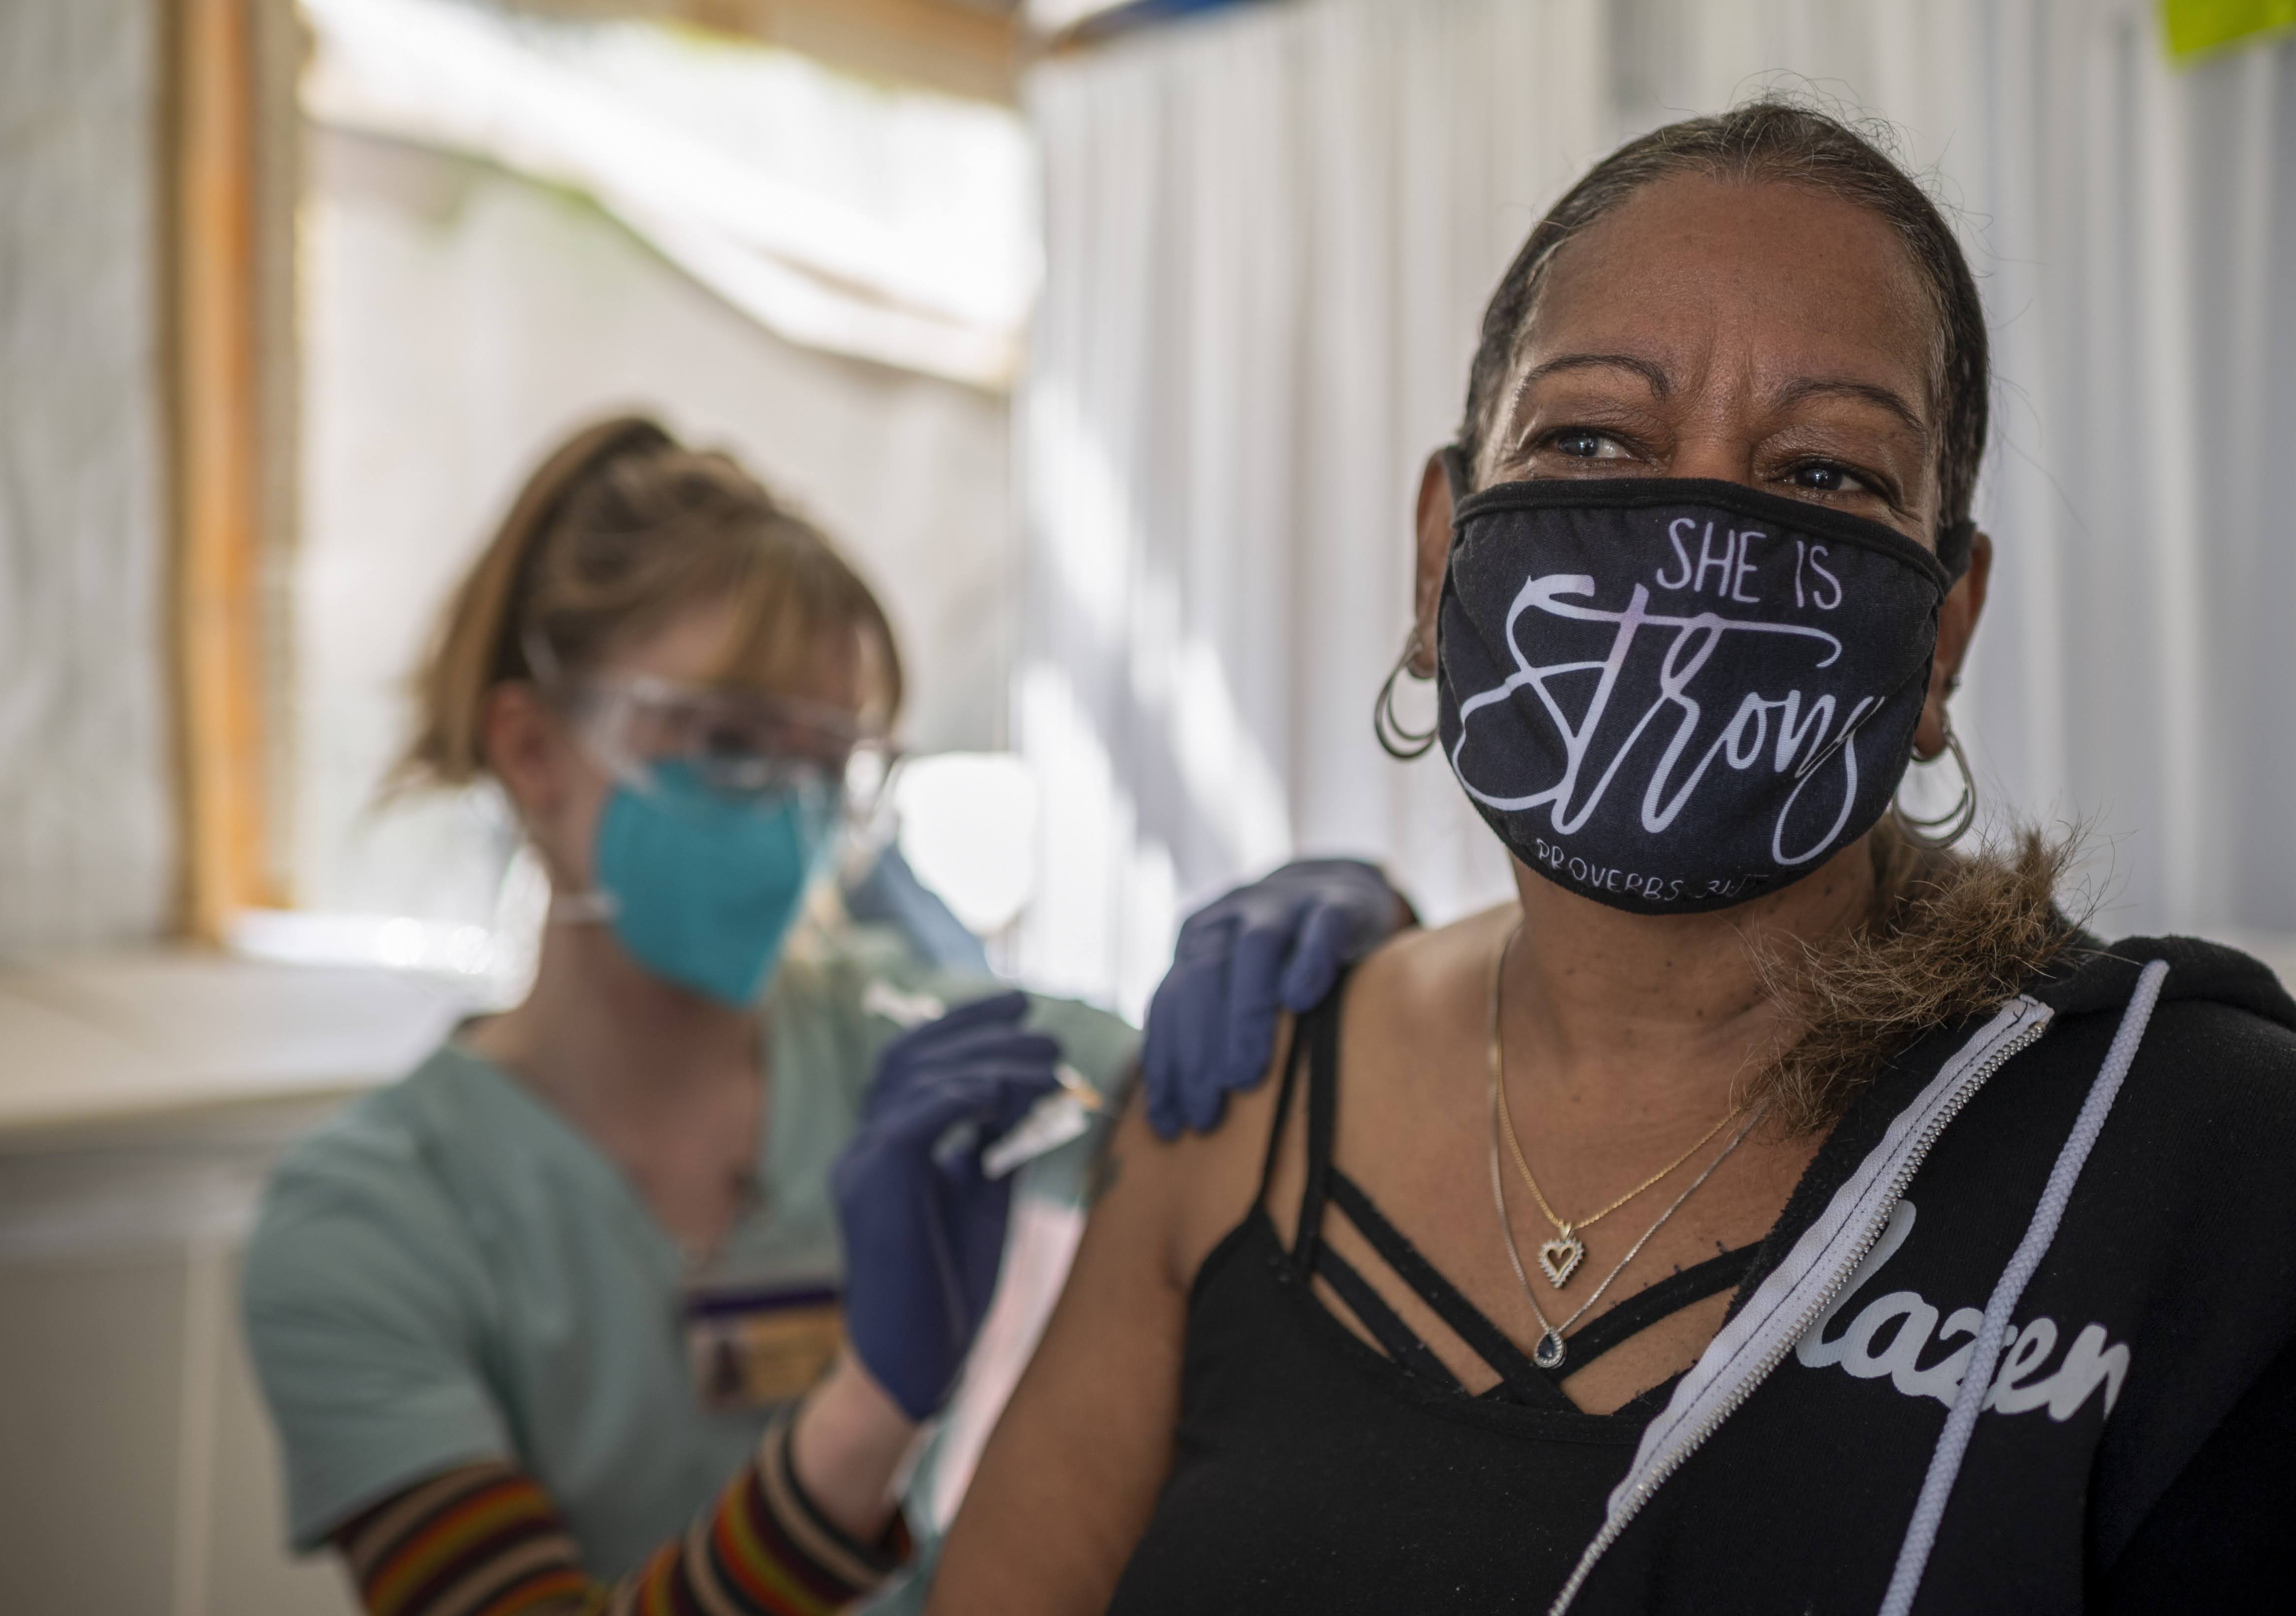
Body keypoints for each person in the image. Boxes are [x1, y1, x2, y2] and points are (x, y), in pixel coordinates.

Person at [930, 102, 2296, 1614]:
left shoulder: (2195, 1153)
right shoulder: (1242, 1094)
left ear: (1942, 634)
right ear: (1441, 547)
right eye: (1589, 436)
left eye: (1829, 473)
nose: (1701, 525)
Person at [240, 418, 1406, 1616]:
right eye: (729, 743)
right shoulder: (366, 1222)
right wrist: (871, 1405)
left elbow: (1227, 1097)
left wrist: (1363, 952)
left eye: (827, 760)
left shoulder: (904, 1042)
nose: (790, 815)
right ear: (534, 748)